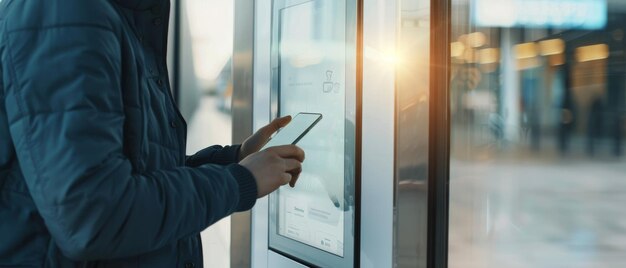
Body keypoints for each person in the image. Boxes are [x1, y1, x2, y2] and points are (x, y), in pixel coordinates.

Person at [0, 0, 305, 267]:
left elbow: (139, 170)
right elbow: (94, 217)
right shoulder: (67, 14)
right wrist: (240, 182)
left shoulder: (120, 18)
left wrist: (235, 160)